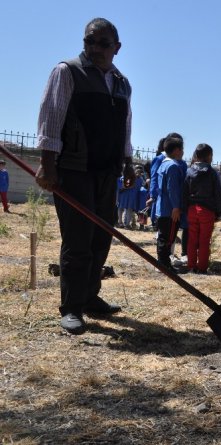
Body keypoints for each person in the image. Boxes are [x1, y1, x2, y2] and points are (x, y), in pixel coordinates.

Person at [35, 17, 133, 334]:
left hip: (108, 170)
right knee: (77, 241)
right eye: (89, 41)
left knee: (101, 238)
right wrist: (47, 164)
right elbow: (51, 118)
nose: (95, 48)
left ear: (116, 48)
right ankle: (72, 307)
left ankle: (90, 297)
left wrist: (129, 163)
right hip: (74, 170)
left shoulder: (122, 83)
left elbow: (125, 127)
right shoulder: (67, 71)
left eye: (103, 43)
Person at [182, 143, 221, 274]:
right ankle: (202, 267)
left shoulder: (189, 171)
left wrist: (185, 208)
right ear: (210, 156)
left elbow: (184, 192)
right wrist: (218, 211)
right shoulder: (212, 173)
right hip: (207, 210)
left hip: (192, 209)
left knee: (192, 239)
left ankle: (191, 266)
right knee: (204, 240)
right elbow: (217, 193)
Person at [155, 137, 186, 272]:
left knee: (163, 236)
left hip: (161, 207)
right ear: (177, 150)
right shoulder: (173, 166)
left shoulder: (163, 164)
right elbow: (172, 188)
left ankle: (162, 262)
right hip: (170, 209)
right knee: (168, 237)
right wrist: (176, 207)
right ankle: (164, 264)